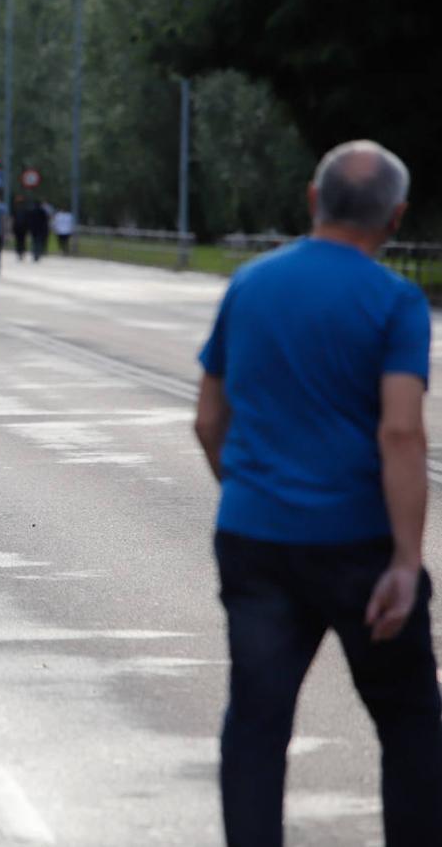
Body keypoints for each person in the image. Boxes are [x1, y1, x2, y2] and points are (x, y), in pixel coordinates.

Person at [193, 140, 442, 847]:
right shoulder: (394, 303)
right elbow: (399, 433)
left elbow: (208, 419)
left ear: (311, 198)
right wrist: (403, 559)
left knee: (256, 721)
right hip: (356, 546)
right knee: (407, 721)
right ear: (394, 217)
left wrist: (247, 490)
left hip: (254, 539)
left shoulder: (248, 285)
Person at [11, 195, 29, 260]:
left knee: (19, 241)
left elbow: (13, 220)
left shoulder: (16, 209)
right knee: (22, 241)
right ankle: (21, 252)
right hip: (22, 228)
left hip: (18, 228)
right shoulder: (25, 209)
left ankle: (20, 252)